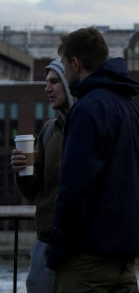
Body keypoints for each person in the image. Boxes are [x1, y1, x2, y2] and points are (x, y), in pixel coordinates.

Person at [47, 27, 139, 293]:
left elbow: (75, 188)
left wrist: (58, 249)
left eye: (64, 64)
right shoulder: (136, 110)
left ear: (76, 63)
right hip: (125, 259)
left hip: (86, 262)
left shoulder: (87, 109)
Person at [10, 59, 75, 293]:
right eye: (47, 82)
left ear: (70, 84)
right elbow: (34, 191)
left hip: (79, 249)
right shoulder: (48, 129)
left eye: (54, 82)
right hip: (45, 243)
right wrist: (22, 172)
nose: (47, 88)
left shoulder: (88, 127)